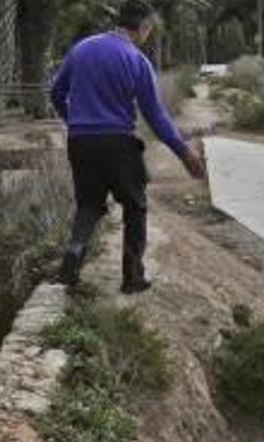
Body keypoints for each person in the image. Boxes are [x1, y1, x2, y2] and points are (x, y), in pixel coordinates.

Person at [51, 0, 206, 294]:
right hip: (118, 142)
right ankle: (132, 277)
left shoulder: (82, 49)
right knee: (135, 206)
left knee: (88, 205)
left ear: (119, 21)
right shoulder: (137, 60)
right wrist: (184, 153)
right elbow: (156, 116)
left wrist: (74, 122)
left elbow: (57, 92)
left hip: (80, 141)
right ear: (144, 27)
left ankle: (73, 254)